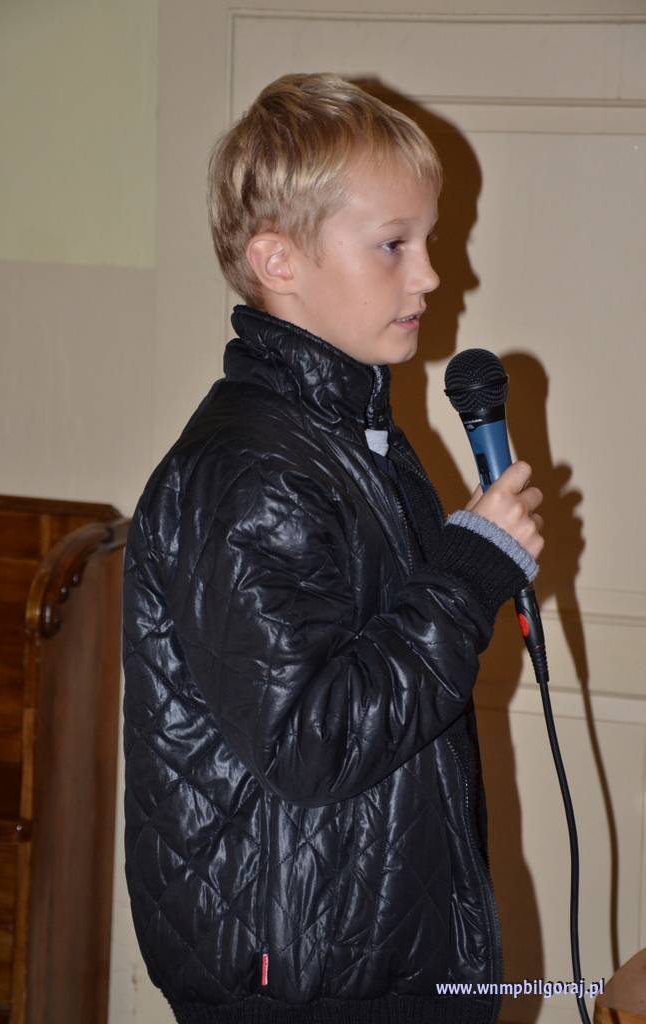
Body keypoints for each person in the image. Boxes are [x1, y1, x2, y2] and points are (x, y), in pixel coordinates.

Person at [122, 72, 544, 1024]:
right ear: (277, 260)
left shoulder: (353, 438)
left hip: (375, 951)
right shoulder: (251, 471)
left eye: (426, 241)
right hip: (308, 983)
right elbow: (310, 743)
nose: (430, 275)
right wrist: (467, 573)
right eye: (394, 244)